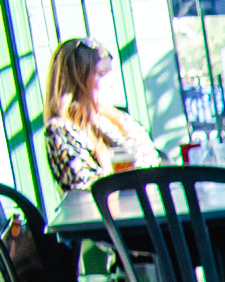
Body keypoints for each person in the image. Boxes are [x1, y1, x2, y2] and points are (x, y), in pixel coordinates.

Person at [43, 38, 160, 192]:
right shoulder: (61, 129)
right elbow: (86, 185)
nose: (111, 82)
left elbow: (152, 158)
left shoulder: (115, 117)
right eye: (102, 74)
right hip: (103, 213)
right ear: (78, 81)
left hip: (142, 205)